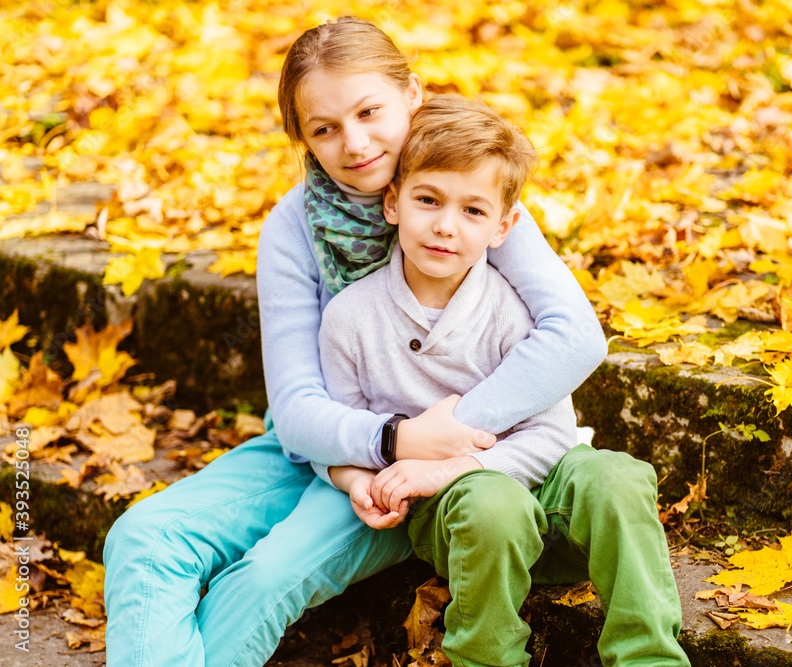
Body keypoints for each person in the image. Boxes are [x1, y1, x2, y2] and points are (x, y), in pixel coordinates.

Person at [102, 16, 608, 667]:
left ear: (412, 96)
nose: (355, 142)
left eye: (370, 111)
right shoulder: (293, 228)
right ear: (303, 139)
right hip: (328, 444)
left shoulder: (465, 195)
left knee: (260, 578)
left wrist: (439, 438)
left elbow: (575, 337)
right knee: (143, 535)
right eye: (325, 128)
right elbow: (295, 406)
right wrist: (389, 437)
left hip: (425, 474)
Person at [316, 94, 689, 667]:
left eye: (472, 211)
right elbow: (343, 429)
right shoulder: (349, 319)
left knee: (617, 475)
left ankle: (648, 657)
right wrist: (352, 479)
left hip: (553, 508)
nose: (445, 226)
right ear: (392, 203)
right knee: (494, 504)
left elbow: (551, 438)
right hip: (464, 522)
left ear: (503, 226)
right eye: (427, 200)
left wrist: (455, 462)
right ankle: (485, 658)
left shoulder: (513, 312)